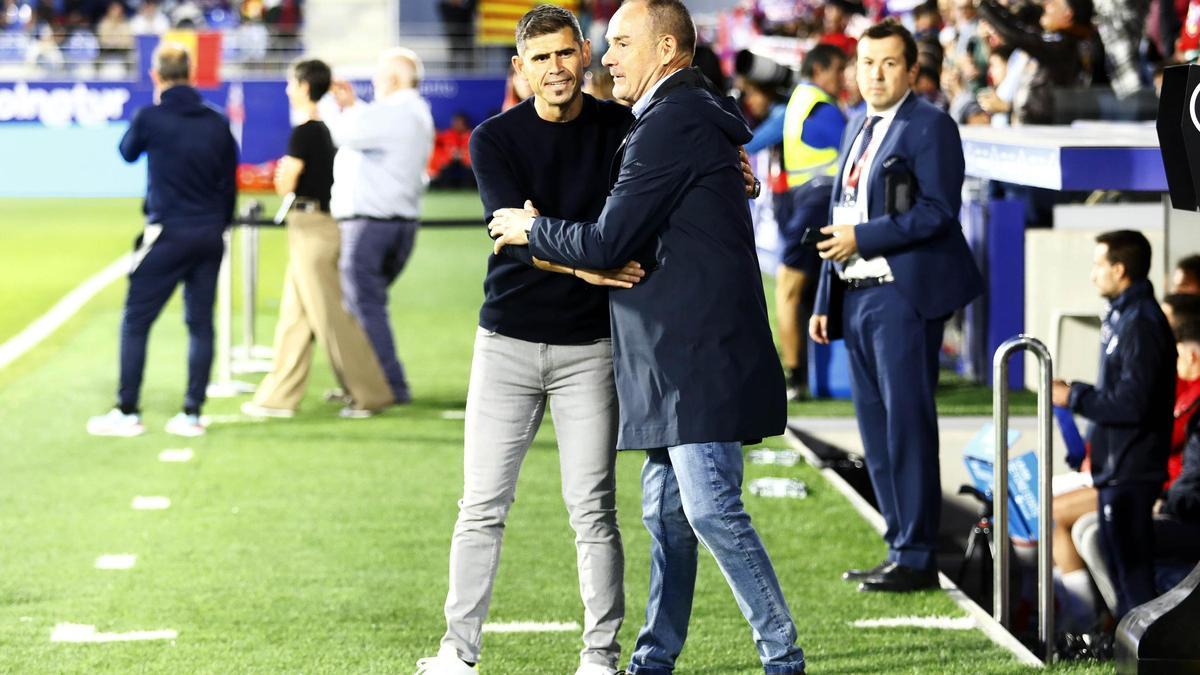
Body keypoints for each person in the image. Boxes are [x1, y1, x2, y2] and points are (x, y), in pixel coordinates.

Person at [488, 1, 805, 672]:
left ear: (666, 50)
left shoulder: (674, 122)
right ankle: (653, 657)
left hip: (693, 353)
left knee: (712, 510)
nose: (606, 57)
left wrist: (528, 229)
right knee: (666, 514)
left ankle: (783, 657)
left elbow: (608, 240)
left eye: (621, 43)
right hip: (670, 355)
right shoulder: (674, 119)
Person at [414, 7, 644, 675]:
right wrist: (588, 261)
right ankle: (458, 652)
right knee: (482, 504)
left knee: (593, 508)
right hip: (507, 342)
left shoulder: (621, 130)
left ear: (585, 56)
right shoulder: (494, 139)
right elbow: (515, 242)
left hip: (591, 348)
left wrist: (548, 235)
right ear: (520, 69)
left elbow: (598, 232)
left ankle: (600, 658)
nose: (555, 69)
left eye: (565, 54)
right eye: (539, 59)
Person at [809, 19, 983, 593]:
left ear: (911, 70)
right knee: (875, 432)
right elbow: (843, 211)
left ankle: (916, 553)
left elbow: (937, 211)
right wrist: (824, 296)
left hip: (901, 296)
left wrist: (866, 240)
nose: (875, 74)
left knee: (907, 427)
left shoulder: (931, 124)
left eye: (888, 63)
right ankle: (899, 546)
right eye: (866, 63)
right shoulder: (858, 125)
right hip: (855, 294)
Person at [87, 43, 238, 438]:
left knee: (136, 319)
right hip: (209, 232)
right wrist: (219, 223)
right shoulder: (217, 121)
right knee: (201, 323)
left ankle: (127, 410)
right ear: (191, 73)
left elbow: (126, 152)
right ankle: (191, 414)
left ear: (157, 76)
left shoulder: (151, 117)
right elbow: (229, 182)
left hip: (168, 231)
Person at [240, 59, 394, 420]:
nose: (287, 89)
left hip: (312, 229)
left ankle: (369, 394)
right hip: (311, 226)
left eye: (291, 82)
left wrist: (281, 174)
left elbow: (286, 183)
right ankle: (277, 398)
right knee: (294, 320)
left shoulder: (305, 131)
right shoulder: (320, 130)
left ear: (305, 86)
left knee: (332, 320)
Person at [1051, 230, 1176, 620]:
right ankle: (1125, 648)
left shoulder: (1141, 322)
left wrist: (1074, 397)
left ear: (1119, 270)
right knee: (1123, 573)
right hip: (1117, 467)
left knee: (1133, 575)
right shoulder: (1124, 315)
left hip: (1132, 469)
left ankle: (1143, 654)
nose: (1093, 275)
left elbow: (1133, 403)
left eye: (1098, 265)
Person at [325, 49, 435, 406]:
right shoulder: (415, 112)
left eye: (377, 77)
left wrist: (327, 103)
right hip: (397, 223)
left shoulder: (396, 112)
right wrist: (353, 105)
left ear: (392, 79)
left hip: (372, 225)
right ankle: (365, 381)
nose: (374, 84)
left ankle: (388, 385)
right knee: (362, 306)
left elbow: (342, 133)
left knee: (363, 306)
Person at [777, 44, 847, 400]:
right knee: (790, 289)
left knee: (792, 289)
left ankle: (797, 378)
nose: (844, 77)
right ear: (819, 70)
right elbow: (850, 147)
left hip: (810, 203)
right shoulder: (820, 107)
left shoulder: (799, 100)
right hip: (818, 204)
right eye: (838, 69)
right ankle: (795, 378)